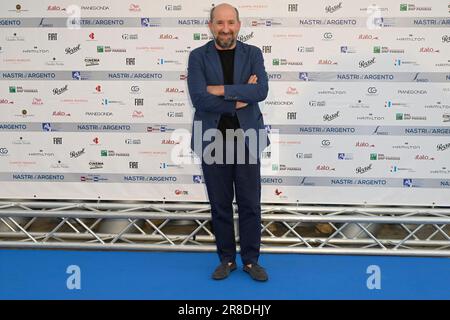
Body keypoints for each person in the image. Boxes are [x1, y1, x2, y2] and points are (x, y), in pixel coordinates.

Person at [187, 3, 270, 281]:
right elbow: (199, 97)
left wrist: (219, 90)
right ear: (210, 25)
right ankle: (226, 260)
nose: (225, 28)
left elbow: (260, 90)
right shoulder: (197, 57)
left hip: (247, 139)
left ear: (239, 24)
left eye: (230, 22)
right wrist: (238, 99)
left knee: (250, 204)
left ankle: (250, 260)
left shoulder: (253, 53)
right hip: (212, 138)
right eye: (219, 23)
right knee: (220, 205)